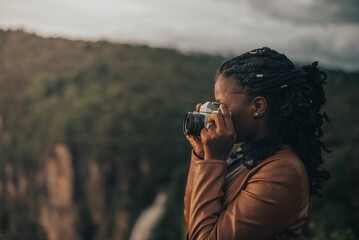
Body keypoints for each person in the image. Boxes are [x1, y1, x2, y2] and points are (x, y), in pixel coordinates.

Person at [183, 47, 329, 240]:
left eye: (221, 104)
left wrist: (213, 160)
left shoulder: (283, 172)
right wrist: (201, 156)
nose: (215, 112)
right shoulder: (247, 156)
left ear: (258, 107)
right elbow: (192, 216)